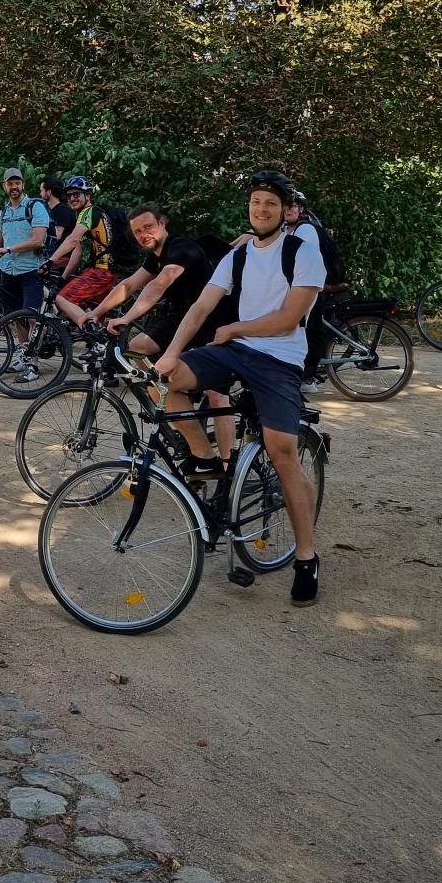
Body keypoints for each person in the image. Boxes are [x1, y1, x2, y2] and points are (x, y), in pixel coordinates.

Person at [155, 171, 326, 606]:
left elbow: (289, 319)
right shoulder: (239, 256)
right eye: (255, 202)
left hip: (280, 359)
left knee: (281, 449)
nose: (261, 210)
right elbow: (200, 306)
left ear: (285, 210)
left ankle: (306, 557)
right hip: (237, 349)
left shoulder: (303, 252)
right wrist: (172, 352)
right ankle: (206, 459)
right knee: (173, 385)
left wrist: (235, 327)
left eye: (270, 203)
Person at [87, 204, 237, 465]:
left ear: (163, 223)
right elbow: (130, 284)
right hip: (181, 319)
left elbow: (160, 284)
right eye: (138, 231)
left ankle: (226, 466)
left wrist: (126, 317)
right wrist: (95, 313)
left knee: (216, 397)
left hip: (214, 322)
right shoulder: (155, 256)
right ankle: (172, 401)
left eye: (148, 227)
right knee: (137, 346)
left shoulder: (182, 248)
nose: (144, 234)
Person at [0, 168, 51, 366]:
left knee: (32, 317)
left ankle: (32, 362)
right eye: (10, 183)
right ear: (4, 186)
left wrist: (8, 249)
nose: (14, 186)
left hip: (30, 270)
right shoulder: (4, 211)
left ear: (23, 184)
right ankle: (23, 356)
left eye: (17, 183)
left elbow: (38, 240)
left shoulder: (35, 207)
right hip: (8, 271)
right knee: (16, 317)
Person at [284, 188, 349, 391]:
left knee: (309, 328)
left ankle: (308, 378)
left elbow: (300, 263)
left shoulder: (305, 230)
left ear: (301, 209)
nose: (288, 209)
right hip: (308, 283)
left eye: (293, 205)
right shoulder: (287, 229)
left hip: (317, 284)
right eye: (285, 205)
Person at [47, 176, 119, 327]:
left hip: (100, 272)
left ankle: (92, 334)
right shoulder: (82, 215)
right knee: (94, 315)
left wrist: (50, 261)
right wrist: (63, 277)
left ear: (88, 196)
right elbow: (77, 253)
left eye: (76, 194)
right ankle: (98, 344)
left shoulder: (89, 212)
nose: (72, 198)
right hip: (102, 271)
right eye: (69, 195)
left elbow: (71, 240)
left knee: (62, 299)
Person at [40, 176, 76, 261]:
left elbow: (57, 235)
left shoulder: (62, 210)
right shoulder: (46, 210)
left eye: (41, 190)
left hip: (62, 258)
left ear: (49, 192)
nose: (40, 193)